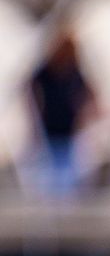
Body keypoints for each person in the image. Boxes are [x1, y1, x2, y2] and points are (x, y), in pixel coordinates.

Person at [27, 28, 96, 198]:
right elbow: (29, 85)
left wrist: (84, 113)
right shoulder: (46, 71)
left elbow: (90, 92)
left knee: (67, 178)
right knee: (51, 178)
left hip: (68, 130)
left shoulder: (74, 71)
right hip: (50, 130)